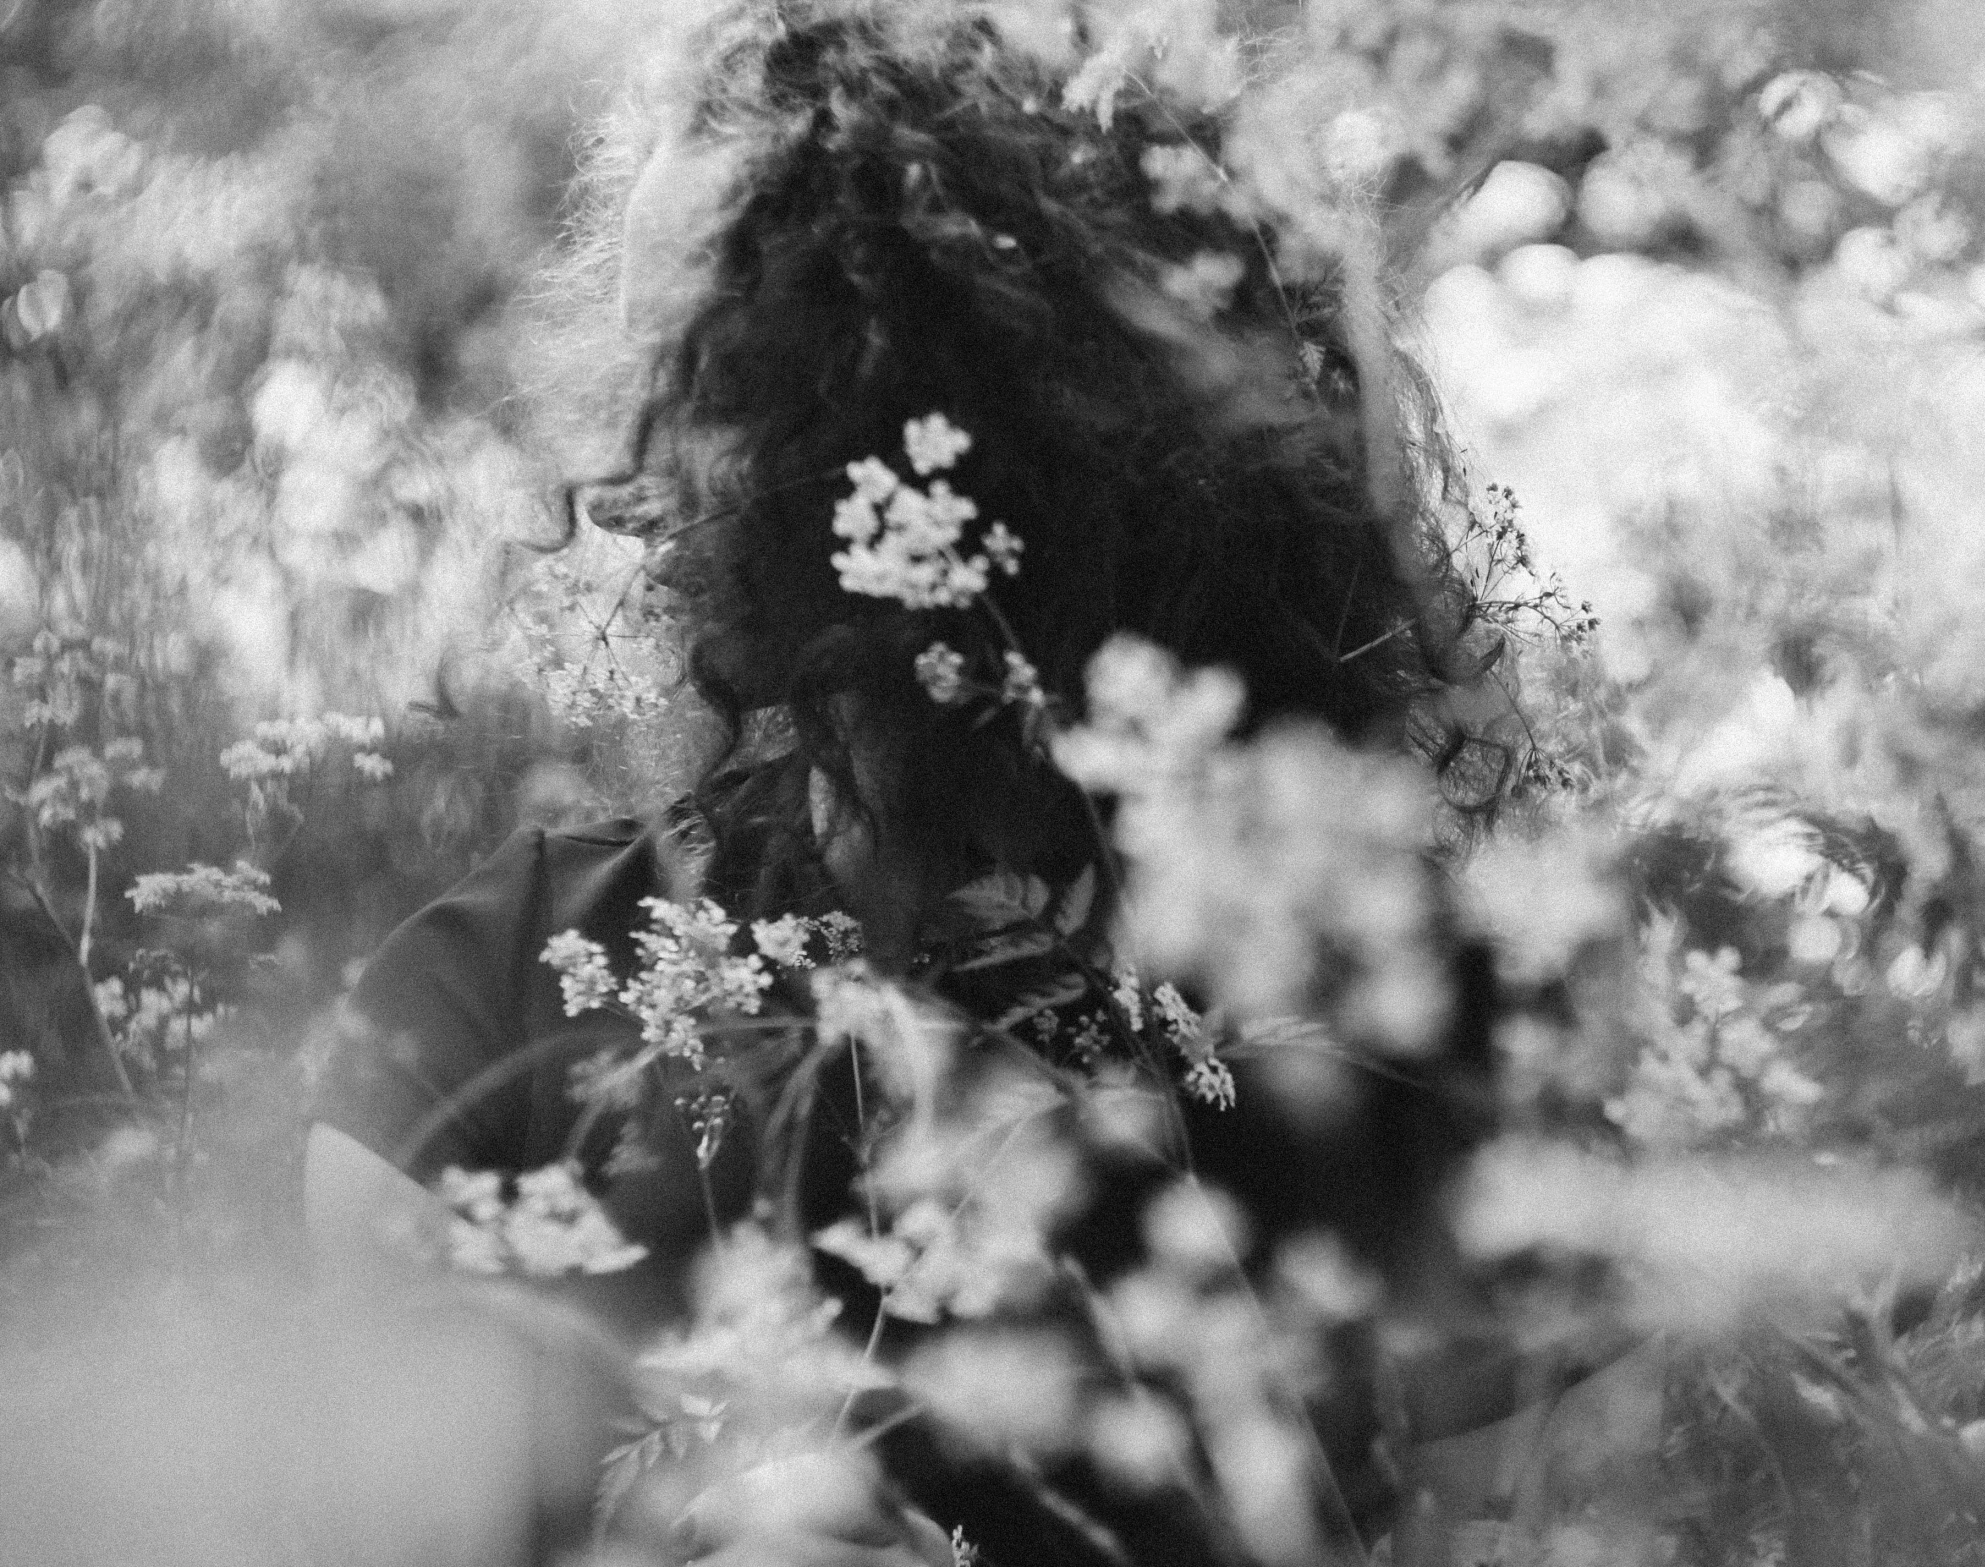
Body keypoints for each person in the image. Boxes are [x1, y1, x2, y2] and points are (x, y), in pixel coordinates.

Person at [306, 3, 1553, 1563]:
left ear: (973, 427)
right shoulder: (468, 1022)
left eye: (700, 391)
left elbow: (1548, 1520)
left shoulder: (1395, 995)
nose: (621, 502)